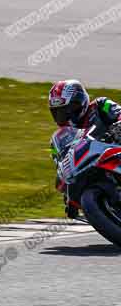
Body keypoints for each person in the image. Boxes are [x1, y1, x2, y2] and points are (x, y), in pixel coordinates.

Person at [48, 80, 121, 218]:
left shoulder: (101, 105)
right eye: (60, 112)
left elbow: (119, 112)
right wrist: (68, 194)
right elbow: (60, 164)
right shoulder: (60, 139)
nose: (66, 115)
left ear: (81, 102)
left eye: (69, 109)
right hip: (95, 167)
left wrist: (117, 125)